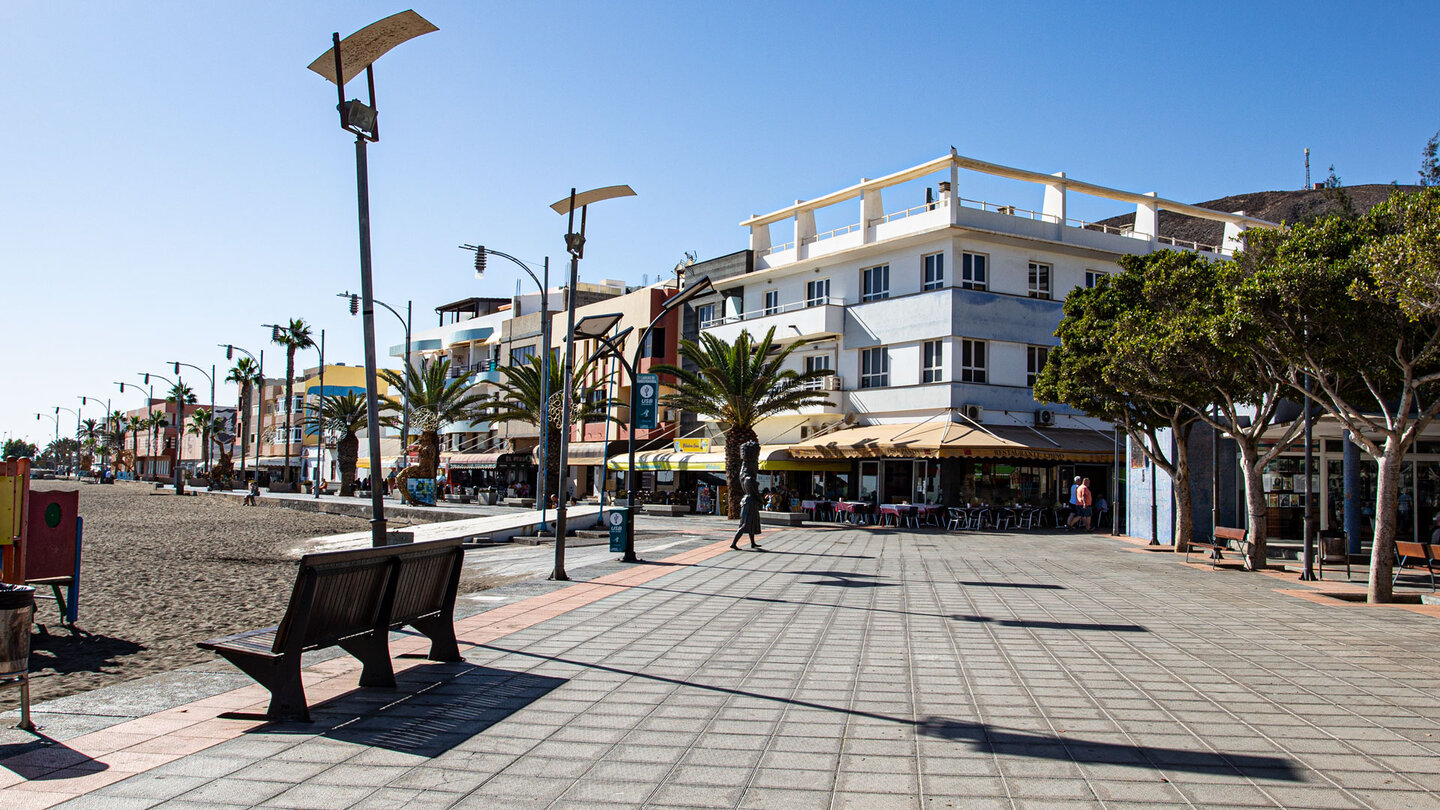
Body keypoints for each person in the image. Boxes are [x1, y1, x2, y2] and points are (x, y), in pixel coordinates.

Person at [732, 441, 762, 550]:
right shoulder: (749, 479)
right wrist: (761, 500)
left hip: (749, 501)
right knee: (745, 524)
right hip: (750, 502)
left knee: (752, 524)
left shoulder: (746, 477)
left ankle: (753, 543)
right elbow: (755, 492)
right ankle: (734, 543)